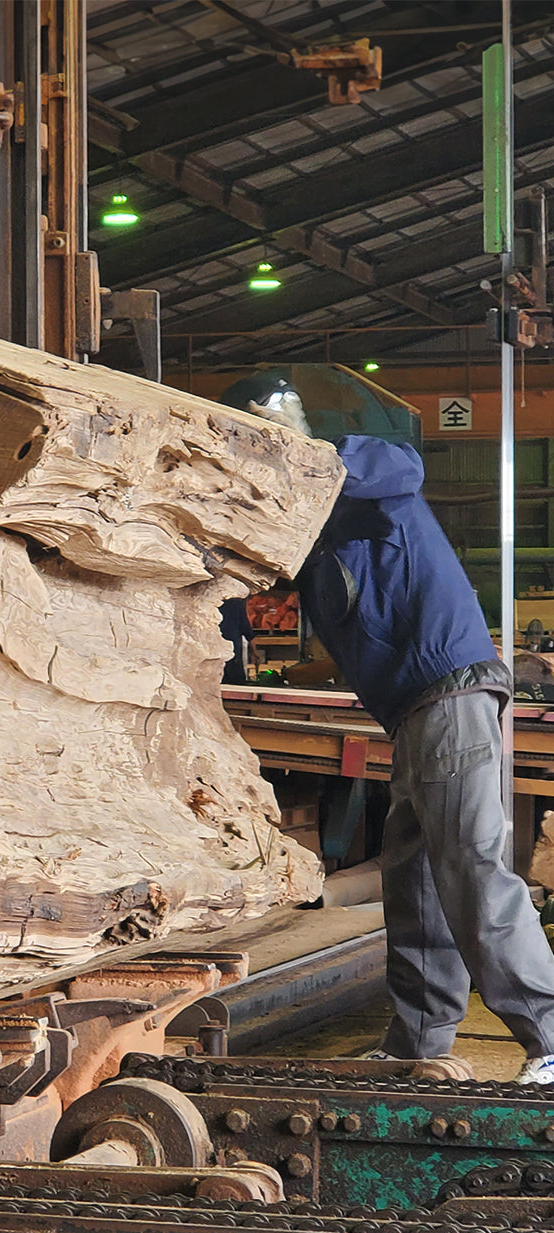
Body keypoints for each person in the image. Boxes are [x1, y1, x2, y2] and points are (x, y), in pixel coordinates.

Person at [220, 373, 554, 1084]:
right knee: (417, 879)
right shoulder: (310, 537)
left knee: (468, 865)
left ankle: (549, 1036)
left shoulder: (368, 482)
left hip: (448, 693)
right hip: (416, 712)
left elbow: (405, 463)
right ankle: (417, 1043)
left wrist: (298, 448)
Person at [219, 595, 260, 684]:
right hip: (232, 653)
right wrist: (254, 651)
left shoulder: (209, 603)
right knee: (234, 682)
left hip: (214, 652)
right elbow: (247, 631)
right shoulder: (236, 604)